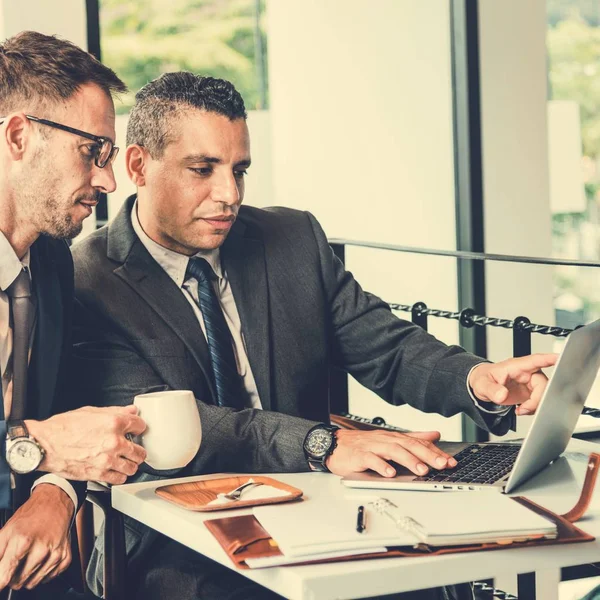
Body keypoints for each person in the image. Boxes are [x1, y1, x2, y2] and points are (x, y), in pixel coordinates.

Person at [71, 72, 556, 600]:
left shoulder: (292, 239)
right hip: (181, 546)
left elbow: (386, 346)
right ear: (139, 165)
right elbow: (167, 430)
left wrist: (477, 379)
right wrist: (324, 443)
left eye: (240, 170)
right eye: (202, 169)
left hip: (325, 513)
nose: (229, 194)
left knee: (437, 579)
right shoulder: (86, 278)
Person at [0, 31, 148, 598]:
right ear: (19, 135)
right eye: (93, 151)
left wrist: (54, 492)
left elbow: (62, 413)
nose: (108, 180)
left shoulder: (56, 262)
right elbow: (46, 435)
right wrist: (35, 447)